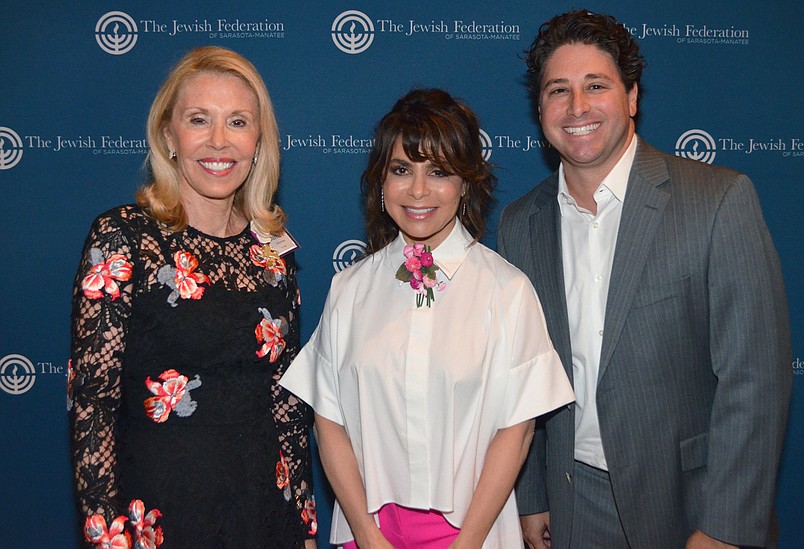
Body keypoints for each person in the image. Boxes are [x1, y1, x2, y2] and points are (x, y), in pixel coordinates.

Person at [498, 10, 792, 549]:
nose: (577, 107)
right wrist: (532, 494)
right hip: (572, 503)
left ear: (632, 97)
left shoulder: (717, 201)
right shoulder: (520, 224)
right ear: (540, 107)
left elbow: (756, 381)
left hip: (691, 506)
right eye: (558, 90)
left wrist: (725, 528)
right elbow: (525, 375)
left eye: (596, 86)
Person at [280, 88, 574, 548]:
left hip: (470, 538)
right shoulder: (350, 289)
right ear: (381, 182)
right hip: (368, 532)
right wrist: (366, 534)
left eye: (438, 172)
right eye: (401, 170)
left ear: (466, 182)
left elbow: (514, 435)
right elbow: (328, 420)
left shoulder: (507, 291)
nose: (418, 191)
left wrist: (467, 543)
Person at [69, 46, 316, 549]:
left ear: (258, 139)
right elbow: (93, 407)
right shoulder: (124, 238)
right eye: (199, 120)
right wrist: (108, 540)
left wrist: (305, 529)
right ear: (168, 135)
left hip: (264, 519)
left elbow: (286, 405)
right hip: (160, 520)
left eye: (239, 122)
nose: (219, 141)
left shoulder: (272, 252)